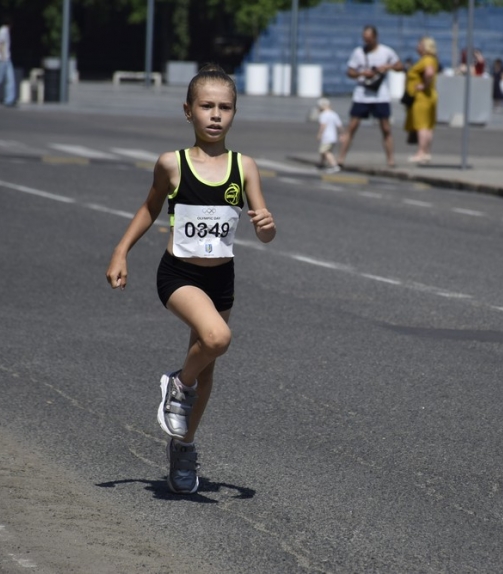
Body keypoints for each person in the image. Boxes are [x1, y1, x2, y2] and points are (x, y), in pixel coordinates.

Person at [105, 64, 276, 494]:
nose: (215, 115)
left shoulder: (245, 167)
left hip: (222, 280)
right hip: (178, 275)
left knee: (209, 367)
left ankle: (183, 447)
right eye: (206, 106)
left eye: (225, 107)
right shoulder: (173, 164)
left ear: (235, 113)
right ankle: (176, 383)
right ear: (188, 111)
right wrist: (121, 251)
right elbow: (149, 208)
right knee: (216, 338)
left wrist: (266, 224)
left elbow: (265, 230)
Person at [337, 25, 404, 168]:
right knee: (353, 126)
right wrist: (362, 74)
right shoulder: (358, 52)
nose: (366, 42)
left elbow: (400, 66)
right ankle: (341, 158)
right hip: (362, 94)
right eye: (364, 39)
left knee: (385, 128)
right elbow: (350, 72)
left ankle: (390, 160)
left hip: (380, 94)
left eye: (369, 39)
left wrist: (388, 67)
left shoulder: (386, 51)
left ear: (375, 38)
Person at [404, 37, 439, 164]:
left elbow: (429, 73)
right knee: (429, 126)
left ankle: (421, 152)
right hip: (430, 96)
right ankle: (427, 152)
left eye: (419, 44)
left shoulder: (427, 59)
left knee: (421, 125)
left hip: (422, 97)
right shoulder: (432, 59)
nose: (417, 46)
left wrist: (423, 85)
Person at [316, 97, 342, 173]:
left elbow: (323, 125)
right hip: (333, 137)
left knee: (325, 151)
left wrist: (319, 134)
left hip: (326, 137)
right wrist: (342, 134)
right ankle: (321, 164)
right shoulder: (334, 114)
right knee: (324, 151)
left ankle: (334, 166)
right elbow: (339, 125)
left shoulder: (323, 115)